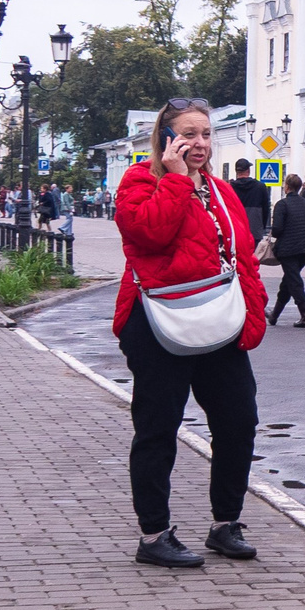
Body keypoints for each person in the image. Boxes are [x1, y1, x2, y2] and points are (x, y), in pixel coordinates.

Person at [114, 96, 267, 569]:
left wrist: (253, 315)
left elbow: (241, 258)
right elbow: (149, 234)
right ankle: (153, 534)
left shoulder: (221, 190)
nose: (200, 143)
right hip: (158, 324)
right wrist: (177, 178)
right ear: (166, 138)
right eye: (188, 135)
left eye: (205, 134)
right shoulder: (140, 180)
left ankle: (225, 524)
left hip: (219, 322)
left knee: (239, 422)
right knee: (158, 429)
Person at [266, 172, 305, 326]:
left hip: (289, 249)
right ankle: (274, 315)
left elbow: (277, 229)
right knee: (288, 281)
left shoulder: (282, 204)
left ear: (287, 187)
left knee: (294, 281)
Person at [228, 158, 272, 249]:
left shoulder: (230, 187)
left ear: (236, 172)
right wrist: (262, 227)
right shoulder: (260, 187)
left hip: (236, 229)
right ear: (248, 171)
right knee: (253, 255)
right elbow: (266, 209)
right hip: (255, 229)